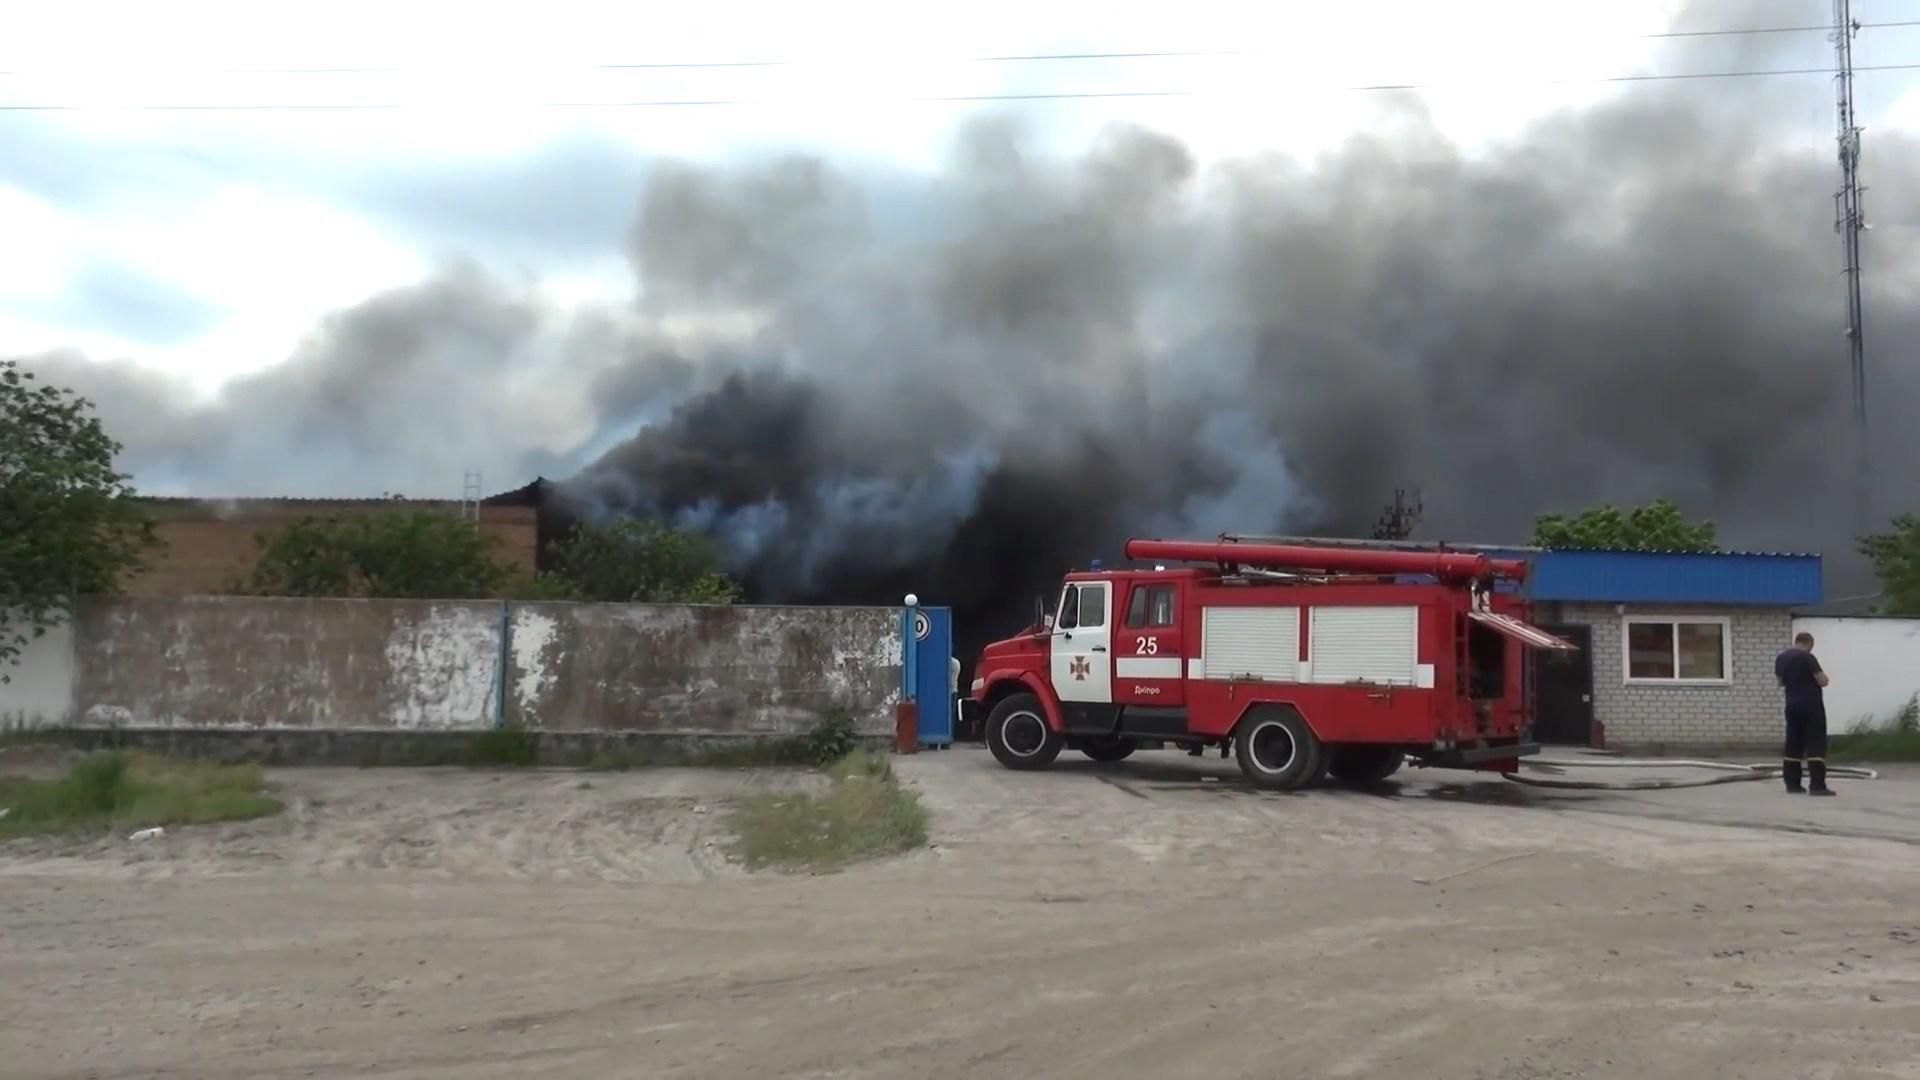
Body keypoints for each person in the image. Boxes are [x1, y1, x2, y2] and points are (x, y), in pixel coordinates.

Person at [1774, 632, 1834, 796]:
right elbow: (1822, 681)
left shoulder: (1781, 658)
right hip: (1811, 705)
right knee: (1816, 743)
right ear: (1809, 643)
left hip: (1791, 705)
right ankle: (1817, 786)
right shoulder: (1807, 658)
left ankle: (1792, 784)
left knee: (1793, 743)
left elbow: (1780, 682)